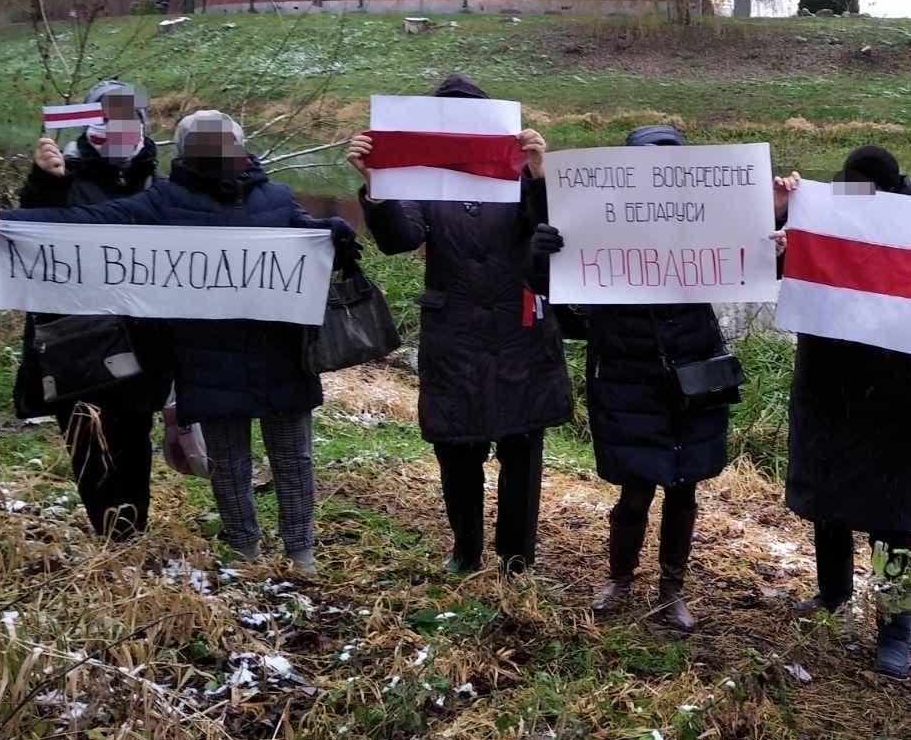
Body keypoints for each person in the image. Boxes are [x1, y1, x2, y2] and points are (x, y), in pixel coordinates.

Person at [0, 109, 357, 578]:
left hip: (279, 353)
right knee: (228, 462)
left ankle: (301, 554)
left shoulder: (278, 197)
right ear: (185, 153)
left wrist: (332, 235)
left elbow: (305, 238)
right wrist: (3, 222)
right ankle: (245, 553)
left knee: (293, 457)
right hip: (208, 357)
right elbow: (86, 223)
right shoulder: (163, 201)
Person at [347, 73, 573, 576]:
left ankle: (517, 560)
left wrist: (540, 173)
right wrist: (376, 185)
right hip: (454, 332)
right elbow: (400, 239)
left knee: (522, 448)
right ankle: (465, 551)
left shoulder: (517, 172)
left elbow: (554, 229)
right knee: (456, 446)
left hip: (519, 331)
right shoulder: (419, 177)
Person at [533, 124, 737, 631]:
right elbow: (551, 289)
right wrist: (542, 251)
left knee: (684, 486)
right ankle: (619, 579)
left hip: (692, 368)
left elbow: (753, 263)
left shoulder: (706, 218)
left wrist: (774, 222)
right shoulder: (598, 219)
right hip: (626, 370)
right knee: (636, 486)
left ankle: (672, 590)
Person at [13, 78, 172, 541]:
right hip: (75, 339)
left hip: (142, 337)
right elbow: (32, 230)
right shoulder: (62, 174)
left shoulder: (160, 184)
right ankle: (111, 535)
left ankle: (131, 533)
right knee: (86, 435)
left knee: (133, 436)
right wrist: (45, 180)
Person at [774, 145, 911, 678]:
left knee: (895, 519)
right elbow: (787, 273)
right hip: (829, 386)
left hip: (896, 399)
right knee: (828, 495)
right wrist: (785, 231)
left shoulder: (904, 218)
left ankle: (896, 628)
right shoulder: (828, 209)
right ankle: (833, 594)